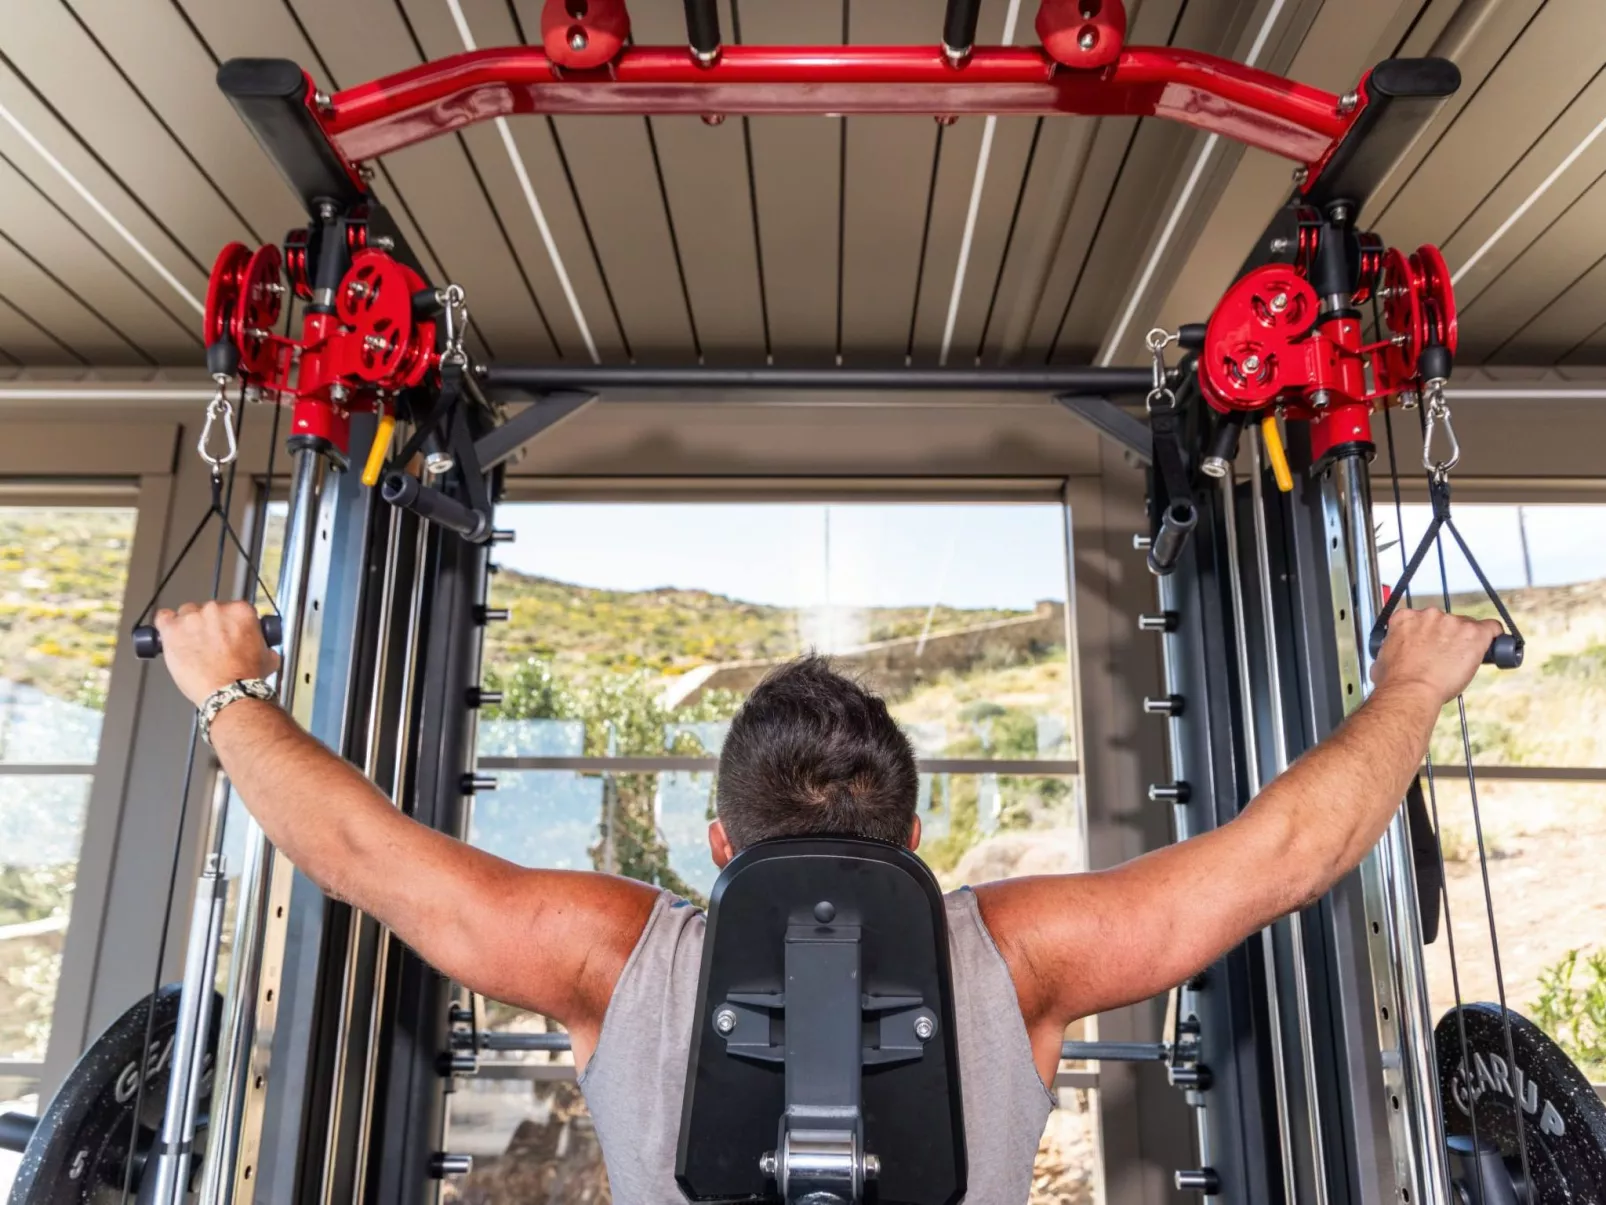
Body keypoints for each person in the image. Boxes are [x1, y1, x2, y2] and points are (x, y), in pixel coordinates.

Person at [152, 600, 1499, 1204]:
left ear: (717, 840)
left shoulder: (609, 951)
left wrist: (225, 689)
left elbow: (360, 852)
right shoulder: (1019, 951)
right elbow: (1284, 852)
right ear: (913, 836)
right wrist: (1412, 688)